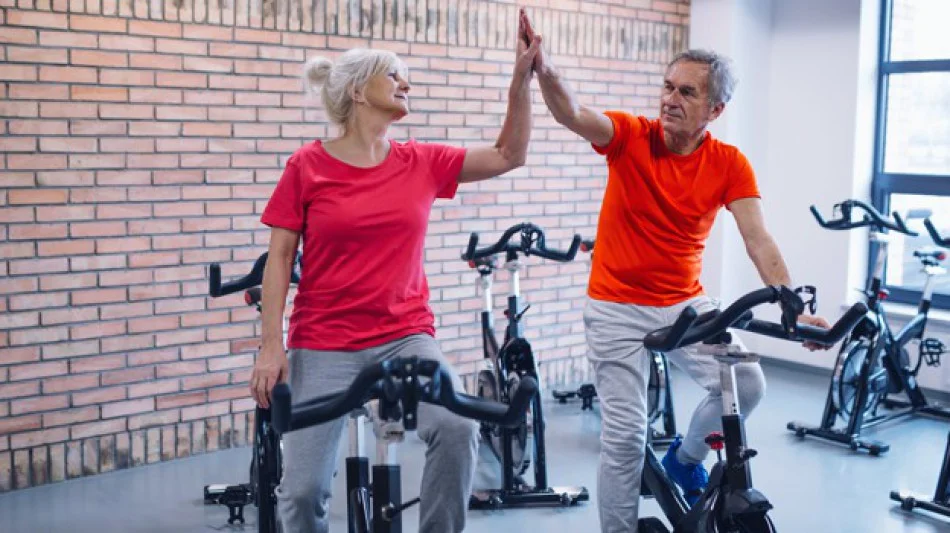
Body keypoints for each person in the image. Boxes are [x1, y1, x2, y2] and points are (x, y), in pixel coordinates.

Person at [519, 13, 831, 532]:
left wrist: (794, 306)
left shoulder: (729, 163)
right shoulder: (630, 136)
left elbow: (759, 239)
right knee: (624, 434)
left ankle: (683, 461)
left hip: (685, 303)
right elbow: (572, 113)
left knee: (748, 384)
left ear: (715, 109)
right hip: (615, 306)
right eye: (667, 87)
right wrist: (543, 69)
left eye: (686, 92)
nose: (669, 99)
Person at [250, 10, 542, 533]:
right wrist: (271, 345)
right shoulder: (307, 166)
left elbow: (508, 154)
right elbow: (278, 259)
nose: (406, 83)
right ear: (360, 92)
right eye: (394, 75)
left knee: (456, 429)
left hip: (405, 337)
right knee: (300, 493)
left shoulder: (421, 161)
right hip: (324, 342)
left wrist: (521, 79)